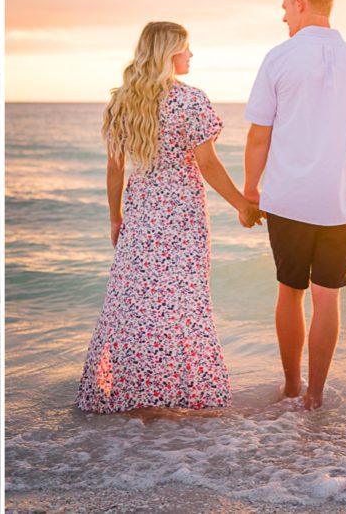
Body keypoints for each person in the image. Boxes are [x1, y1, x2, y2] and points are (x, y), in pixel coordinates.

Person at [77, 22, 260, 413]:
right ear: (169, 53)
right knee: (180, 302)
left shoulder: (121, 101)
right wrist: (242, 204)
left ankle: (136, 396)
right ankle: (175, 394)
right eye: (186, 49)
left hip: (141, 216)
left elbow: (114, 170)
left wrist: (116, 218)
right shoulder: (192, 100)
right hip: (181, 218)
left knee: (136, 302)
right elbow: (207, 164)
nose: (191, 56)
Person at [243, 0, 346, 410]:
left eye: (285, 5)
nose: (282, 15)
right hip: (338, 202)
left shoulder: (279, 58)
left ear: (301, 3)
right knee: (328, 296)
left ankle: (290, 386)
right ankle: (316, 396)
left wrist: (250, 192)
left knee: (290, 291)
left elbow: (258, 136)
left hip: (287, 198)